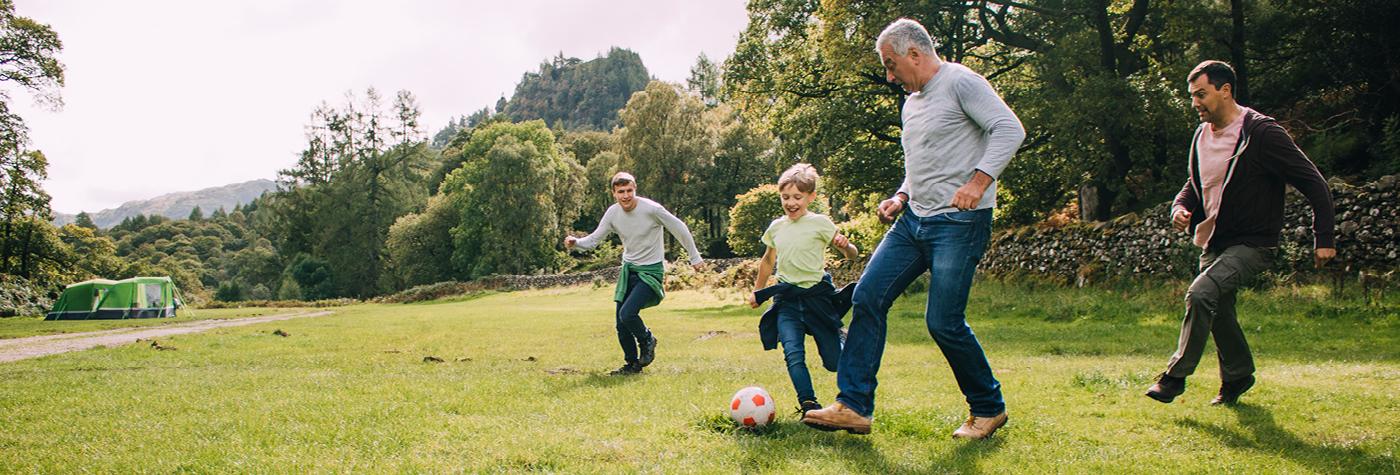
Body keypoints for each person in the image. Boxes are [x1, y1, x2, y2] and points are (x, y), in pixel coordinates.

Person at [801, 18, 1024, 439]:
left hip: (958, 223)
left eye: (891, 65)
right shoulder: (912, 102)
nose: (889, 75)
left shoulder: (961, 82)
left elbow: (1009, 129)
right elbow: (923, 163)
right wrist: (901, 196)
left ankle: (988, 408)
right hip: (913, 221)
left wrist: (978, 182)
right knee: (867, 297)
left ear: (915, 55)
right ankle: (853, 406)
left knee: (943, 321)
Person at [1145, 60, 1335, 405]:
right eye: (1192, 96)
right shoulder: (1201, 135)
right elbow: (1195, 182)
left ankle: (1174, 378)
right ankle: (1237, 377)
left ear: (1225, 90)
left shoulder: (1261, 133)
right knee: (1218, 310)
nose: (1195, 104)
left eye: (1201, 94)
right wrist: (1179, 206)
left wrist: (1324, 238)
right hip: (1214, 240)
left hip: (1253, 242)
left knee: (1201, 294)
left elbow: (1313, 182)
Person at [565, 172, 705, 375]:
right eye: (621, 192)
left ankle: (648, 339)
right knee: (621, 324)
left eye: (629, 190)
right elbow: (594, 240)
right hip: (629, 270)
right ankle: (632, 365)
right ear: (614, 193)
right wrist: (576, 242)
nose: (625, 196)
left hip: (650, 272)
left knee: (628, 313)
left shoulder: (652, 209)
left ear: (635, 189)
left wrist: (695, 257)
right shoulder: (613, 213)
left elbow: (679, 228)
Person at [748, 164, 859, 415]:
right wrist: (757, 291)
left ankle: (842, 338)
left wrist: (845, 246)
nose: (791, 202)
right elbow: (767, 260)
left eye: (797, 197)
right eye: (785, 197)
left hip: (816, 299)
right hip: (786, 299)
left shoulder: (820, 223)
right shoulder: (776, 227)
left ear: (811, 197)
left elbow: (852, 254)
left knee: (834, 363)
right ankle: (809, 403)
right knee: (793, 353)